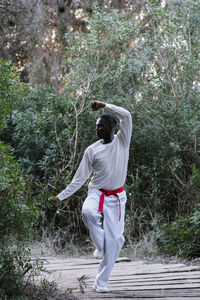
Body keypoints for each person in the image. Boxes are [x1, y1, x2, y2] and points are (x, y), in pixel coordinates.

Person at [53, 101, 132, 293]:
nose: (96, 129)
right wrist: (60, 197)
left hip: (118, 198)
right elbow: (79, 179)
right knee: (87, 212)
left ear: (111, 127)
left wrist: (105, 105)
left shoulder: (123, 140)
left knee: (115, 243)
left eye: (100, 125)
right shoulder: (92, 150)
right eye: (96, 126)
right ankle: (100, 245)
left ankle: (101, 282)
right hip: (97, 192)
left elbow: (127, 115)